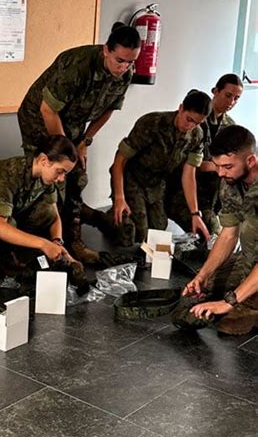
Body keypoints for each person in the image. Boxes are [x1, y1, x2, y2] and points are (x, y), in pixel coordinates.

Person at [17, 23, 141, 265]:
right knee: (49, 179)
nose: (124, 67)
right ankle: (46, 244)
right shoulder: (77, 65)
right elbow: (47, 109)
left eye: (130, 62)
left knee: (77, 179)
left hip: (73, 124)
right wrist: (67, 153)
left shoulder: (125, 73)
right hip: (38, 119)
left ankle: (76, 237)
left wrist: (85, 142)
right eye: (120, 60)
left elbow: (108, 110)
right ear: (106, 50)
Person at [172, 125, 257, 336]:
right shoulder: (231, 180)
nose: (220, 173)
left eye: (227, 166)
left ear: (251, 161)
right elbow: (228, 234)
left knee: (229, 323)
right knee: (211, 286)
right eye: (218, 165)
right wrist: (203, 275)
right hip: (251, 256)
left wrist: (229, 302)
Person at [105, 89, 212, 246]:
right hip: (132, 179)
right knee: (138, 233)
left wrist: (195, 213)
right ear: (181, 108)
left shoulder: (197, 135)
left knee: (158, 232)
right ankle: (107, 218)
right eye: (189, 119)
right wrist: (119, 198)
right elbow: (119, 160)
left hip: (156, 184)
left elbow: (189, 174)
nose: (191, 126)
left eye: (197, 122)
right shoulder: (152, 123)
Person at [0, 135, 79, 273]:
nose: (61, 179)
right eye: (60, 172)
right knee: (8, 223)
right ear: (43, 160)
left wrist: (57, 243)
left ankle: (11, 252)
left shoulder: (45, 176)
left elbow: (54, 215)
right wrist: (43, 244)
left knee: (46, 211)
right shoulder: (7, 174)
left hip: (8, 216)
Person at [166, 73, 243, 235]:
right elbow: (182, 160)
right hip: (183, 190)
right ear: (215, 91)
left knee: (222, 232)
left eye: (236, 98)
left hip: (212, 196)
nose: (231, 102)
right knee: (212, 233)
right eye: (228, 95)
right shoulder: (193, 119)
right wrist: (214, 166)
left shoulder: (230, 127)